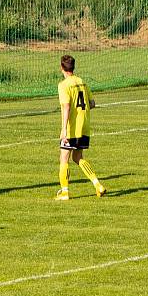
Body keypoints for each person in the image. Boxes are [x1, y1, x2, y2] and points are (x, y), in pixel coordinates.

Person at [55, 54, 106, 201]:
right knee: (78, 157)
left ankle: (65, 192)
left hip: (72, 128)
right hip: (84, 126)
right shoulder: (82, 82)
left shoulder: (63, 85)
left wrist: (63, 129)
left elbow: (66, 106)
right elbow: (92, 103)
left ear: (62, 68)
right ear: (73, 67)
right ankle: (98, 185)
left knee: (64, 158)